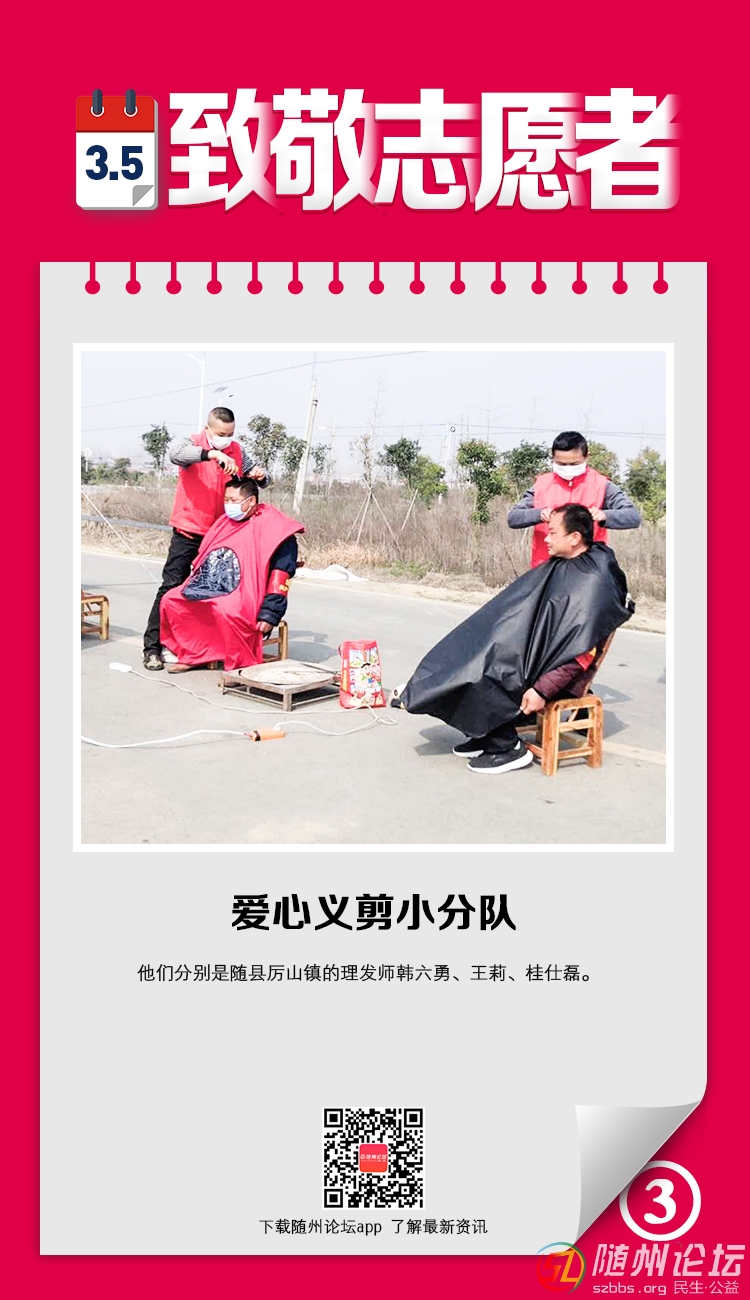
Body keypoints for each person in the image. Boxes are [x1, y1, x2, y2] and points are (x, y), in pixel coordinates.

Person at [393, 504, 634, 775]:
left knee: (487, 672)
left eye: (553, 532)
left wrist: (541, 690)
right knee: (469, 654)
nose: (546, 538)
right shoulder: (565, 566)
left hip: (554, 674)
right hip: (534, 658)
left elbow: (578, 654)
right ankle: (483, 731)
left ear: (574, 538)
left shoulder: (592, 582)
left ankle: (506, 746)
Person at [143, 407, 269, 670]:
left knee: (213, 592)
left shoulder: (237, 450)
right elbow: (175, 454)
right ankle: (153, 648)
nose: (226, 439)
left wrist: (261, 475)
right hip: (188, 531)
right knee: (172, 587)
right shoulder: (191, 443)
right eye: (221, 434)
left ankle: (203, 647)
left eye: (230, 434)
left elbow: (258, 475)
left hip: (220, 535)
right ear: (208, 429)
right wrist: (212, 453)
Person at [159, 478, 303, 672]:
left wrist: (271, 613)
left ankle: (238, 666)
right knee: (172, 600)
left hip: (248, 594)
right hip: (212, 586)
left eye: (233, 500)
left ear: (251, 501)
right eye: (226, 500)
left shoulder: (276, 528)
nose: (228, 505)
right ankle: (193, 654)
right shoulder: (223, 524)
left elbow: (281, 576)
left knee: (228, 609)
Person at [507, 430, 641, 568]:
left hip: (589, 569)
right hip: (546, 568)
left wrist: (604, 516)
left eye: (574, 464)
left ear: (586, 457)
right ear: (553, 458)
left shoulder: (602, 485)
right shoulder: (541, 485)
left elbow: (633, 516)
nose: (567, 469)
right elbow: (513, 518)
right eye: (561, 464)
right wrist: (538, 514)